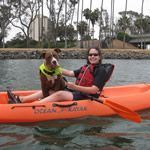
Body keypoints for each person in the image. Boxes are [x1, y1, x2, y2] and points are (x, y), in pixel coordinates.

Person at [8, 47, 112, 103]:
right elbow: (71, 73)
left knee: (59, 94)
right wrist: (51, 68)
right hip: (77, 92)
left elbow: (94, 90)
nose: (92, 56)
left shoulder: (101, 70)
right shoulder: (86, 67)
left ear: (99, 57)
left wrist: (75, 87)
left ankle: (33, 106)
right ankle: (21, 99)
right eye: (90, 55)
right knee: (49, 91)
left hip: (88, 96)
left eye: (95, 55)